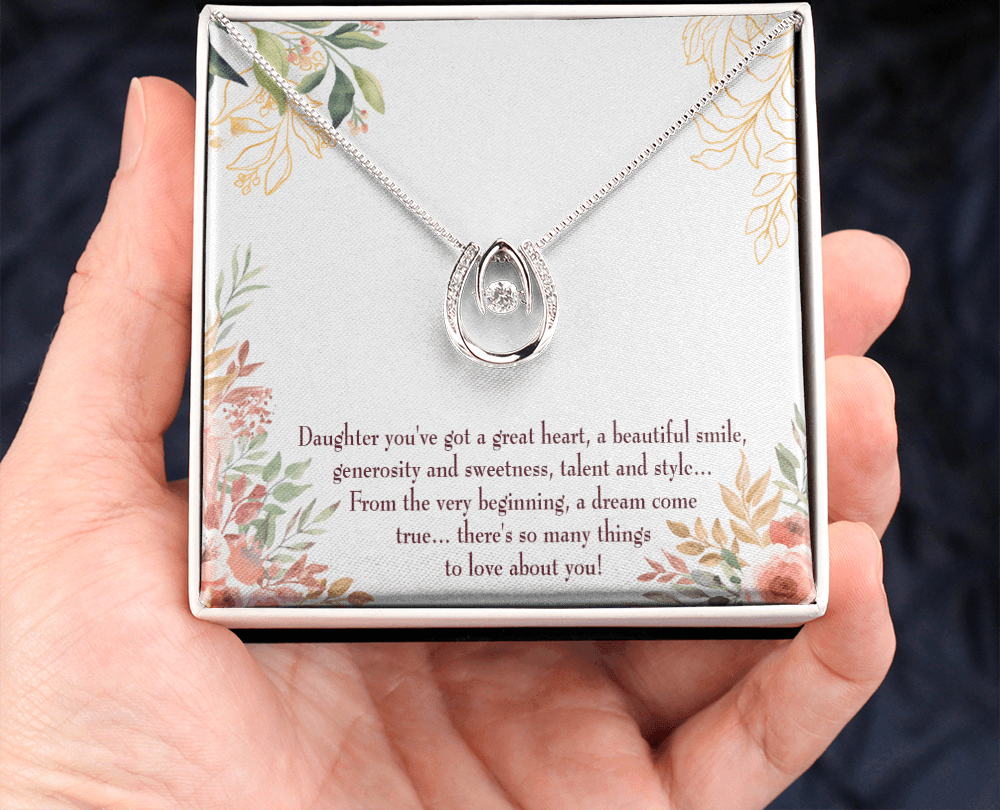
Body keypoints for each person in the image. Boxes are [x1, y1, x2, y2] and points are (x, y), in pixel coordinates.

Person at [0, 77, 908, 809]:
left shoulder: (724, 79)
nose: (501, 299)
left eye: (506, 297)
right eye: (499, 297)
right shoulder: (289, 77)